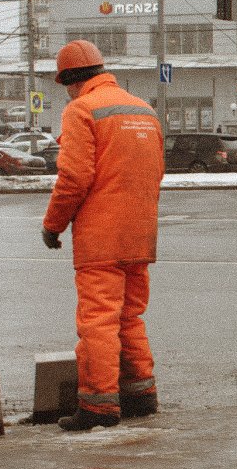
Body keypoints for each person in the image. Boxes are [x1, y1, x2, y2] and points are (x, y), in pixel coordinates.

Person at [39, 40, 165, 431]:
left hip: (101, 238)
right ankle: (140, 394)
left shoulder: (81, 110)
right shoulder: (143, 110)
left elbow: (74, 178)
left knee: (98, 320)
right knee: (130, 316)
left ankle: (98, 405)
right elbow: (156, 172)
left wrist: (53, 225)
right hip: (140, 233)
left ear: (70, 80)